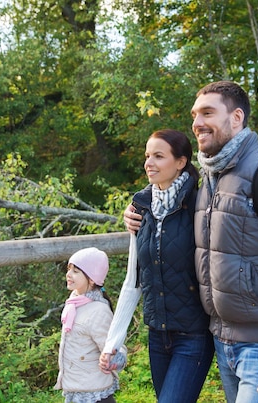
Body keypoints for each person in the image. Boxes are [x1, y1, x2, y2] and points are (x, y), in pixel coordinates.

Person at [124, 82, 258, 403]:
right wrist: (133, 213)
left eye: (208, 113)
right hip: (221, 341)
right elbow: (164, 205)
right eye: (195, 115)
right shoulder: (208, 179)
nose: (197, 122)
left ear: (237, 117)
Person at [100, 129, 214, 402]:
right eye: (147, 156)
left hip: (194, 334)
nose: (148, 163)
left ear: (181, 162)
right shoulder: (141, 210)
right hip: (158, 335)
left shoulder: (202, 204)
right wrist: (113, 341)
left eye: (158, 156)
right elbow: (133, 281)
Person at [54, 247, 127, 403]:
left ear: (92, 279)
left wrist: (112, 359)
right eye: (69, 269)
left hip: (94, 393)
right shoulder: (74, 301)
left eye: (76, 271)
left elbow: (115, 345)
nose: (68, 274)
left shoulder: (98, 310)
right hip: (76, 387)